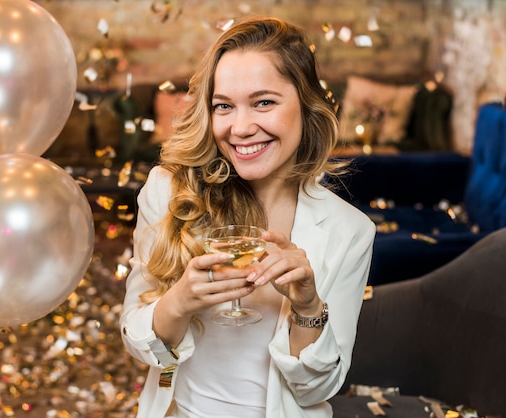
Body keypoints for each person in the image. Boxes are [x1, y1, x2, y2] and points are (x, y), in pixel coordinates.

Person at [120, 16, 376, 418]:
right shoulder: (169, 192)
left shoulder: (350, 231)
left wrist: (308, 307)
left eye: (264, 102)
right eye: (224, 106)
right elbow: (138, 344)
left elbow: (318, 389)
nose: (240, 128)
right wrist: (181, 300)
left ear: (307, 107)